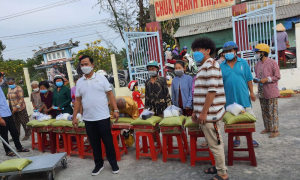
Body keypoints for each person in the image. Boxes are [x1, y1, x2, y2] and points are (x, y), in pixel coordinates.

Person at [72, 55, 119, 176]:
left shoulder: (101, 78)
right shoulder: (80, 82)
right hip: (88, 118)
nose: (84, 67)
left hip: (103, 116)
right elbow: (77, 100)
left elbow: (110, 95)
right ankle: (99, 164)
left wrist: (116, 109)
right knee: (94, 143)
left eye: (86, 64)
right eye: (82, 65)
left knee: (108, 142)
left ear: (92, 65)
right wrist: (74, 117)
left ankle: (113, 163)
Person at [191, 37, 229, 180]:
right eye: (194, 50)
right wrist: (196, 111)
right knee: (214, 142)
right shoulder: (203, 66)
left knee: (215, 144)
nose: (195, 53)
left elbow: (212, 91)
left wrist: (204, 112)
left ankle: (222, 174)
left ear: (207, 50)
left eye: (198, 50)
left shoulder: (211, 65)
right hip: (205, 113)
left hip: (210, 114)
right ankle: (218, 167)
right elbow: (201, 92)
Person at [220, 41, 259, 148]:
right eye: (226, 51)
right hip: (229, 97)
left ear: (235, 51)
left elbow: (249, 79)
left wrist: (251, 92)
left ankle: (250, 138)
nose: (228, 53)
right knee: (233, 117)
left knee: (247, 116)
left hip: (243, 95)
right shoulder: (221, 66)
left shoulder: (243, 63)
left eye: (230, 51)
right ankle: (236, 138)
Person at [253, 44, 281, 138]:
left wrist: (267, 79)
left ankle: (275, 129)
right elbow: (258, 75)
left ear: (263, 53)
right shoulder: (258, 64)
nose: (256, 54)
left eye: (257, 52)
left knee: (272, 110)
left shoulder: (272, 62)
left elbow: (277, 76)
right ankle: (268, 127)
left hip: (271, 91)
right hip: (261, 91)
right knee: (264, 110)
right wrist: (256, 79)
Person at [0, 73, 30, 156]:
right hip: (2, 116)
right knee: (4, 134)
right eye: (1, 78)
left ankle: (19, 147)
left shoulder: (0, 88)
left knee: (14, 131)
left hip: (8, 113)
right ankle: (8, 151)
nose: (2, 80)